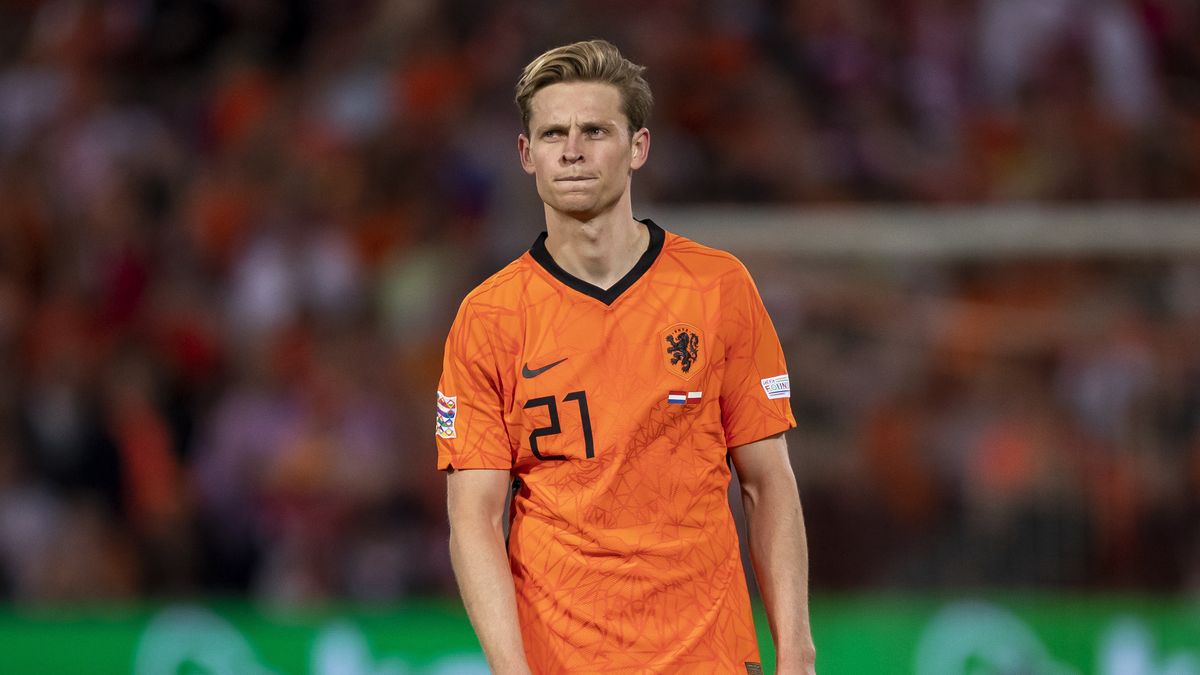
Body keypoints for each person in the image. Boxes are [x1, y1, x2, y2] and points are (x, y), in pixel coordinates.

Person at [436, 39, 817, 674]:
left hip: (709, 656)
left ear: (638, 147)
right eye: (553, 133)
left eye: (595, 130)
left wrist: (797, 654)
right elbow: (473, 517)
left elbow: (768, 480)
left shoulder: (718, 288)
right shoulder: (489, 317)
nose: (574, 150)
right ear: (527, 156)